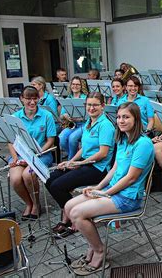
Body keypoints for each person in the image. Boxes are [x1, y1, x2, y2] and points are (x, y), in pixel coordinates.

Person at [64, 102, 154, 275]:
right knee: (69, 207)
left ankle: (99, 251)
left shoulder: (143, 143)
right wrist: (97, 187)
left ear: (136, 120)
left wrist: (105, 193)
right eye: (119, 117)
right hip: (114, 191)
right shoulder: (122, 139)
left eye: (126, 117)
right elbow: (115, 169)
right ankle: (93, 245)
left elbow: (131, 178)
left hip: (127, 198)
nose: (121, 120)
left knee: (77, 213)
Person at [47, 92, 115, 237]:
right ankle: (67, 213)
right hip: (85, 164)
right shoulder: (88, 123)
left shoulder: (106, 125)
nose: (91, 108)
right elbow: (84, 148)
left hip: (98, 168)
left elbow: (103, 153)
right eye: (89, 105)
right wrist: (71, 161)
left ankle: (72, 220)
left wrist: (79, 163)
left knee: (57, 186)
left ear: (102, 106)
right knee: (50, 179)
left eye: (95, 105)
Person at [8, 86, 56, 220]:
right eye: (28, 99)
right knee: (16, 179)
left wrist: (36, 155)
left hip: (41, 154)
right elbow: (10, 140)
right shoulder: (15, 117)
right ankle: (28, 203)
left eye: (35, 99)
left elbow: (51, 140)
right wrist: (15, 158)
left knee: (28, 176)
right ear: (21, 99)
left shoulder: (47, 115)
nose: (32, 102)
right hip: (20, 155)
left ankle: (36, 204)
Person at [58, 76, 88, 159]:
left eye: (78, 84)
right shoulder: (68, 99)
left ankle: (70, 160)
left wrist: (80, 118)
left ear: (81, 86)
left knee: (72, 138)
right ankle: (76, 156)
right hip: (73, 124)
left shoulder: (85, 98)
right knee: (61, 138)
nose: (75, 86)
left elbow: (89, 115)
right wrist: (65, 116)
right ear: (70, 85)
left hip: (84, 124)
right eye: (73, 84)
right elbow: (61, 116)